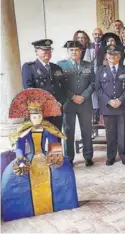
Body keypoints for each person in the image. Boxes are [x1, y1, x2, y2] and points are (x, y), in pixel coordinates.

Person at [2, 88, 78, 221]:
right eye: (34, 117)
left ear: (42, 115)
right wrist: (20, 158)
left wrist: (55, 154)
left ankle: (63, 202)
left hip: (45, 155)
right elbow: (19, 147)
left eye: (38, 116)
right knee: (11, 177)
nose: (36, 119)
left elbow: (53, 142)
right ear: (29, 117)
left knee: (66, 172)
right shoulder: (24, 130)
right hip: (28, 157)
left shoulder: (47, 128)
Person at [57, 41, 95, 167]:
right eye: (72, 50)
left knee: (87, 130)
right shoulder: (61, 66)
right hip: (69, 103)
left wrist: (83, 96)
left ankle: (88, 156)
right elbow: (60, 85)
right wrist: (73, 96)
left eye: (77, 50)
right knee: (68, 131)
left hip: (85, 104)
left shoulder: (89, 65)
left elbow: (93, 83)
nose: (74, 52)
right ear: (68, 52)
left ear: (81, 51)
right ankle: (69, 158)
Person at [95, 47, 125, 166]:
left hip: (122, 107)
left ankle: (124, 156)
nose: (112, 56)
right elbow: (98, 88)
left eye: (115, 54)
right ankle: (110, 156)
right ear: (106, 56)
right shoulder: (100, 70)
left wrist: (120, 100)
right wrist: (109, 101)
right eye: (109, 54)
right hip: (108, 107)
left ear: (119, 57)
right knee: (110, 134)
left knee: (123, 134)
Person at [21, 39, 66, 131]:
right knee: (39, 140)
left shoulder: (56, 68)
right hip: (39, 111)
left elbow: (63, 88)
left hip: (56, 110)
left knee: (56, 139)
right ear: (36, 51)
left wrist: (60, 102)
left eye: (49, 50)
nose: (47, 52)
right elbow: (29, 90)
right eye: (44, 50)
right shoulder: (29, 67)